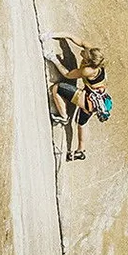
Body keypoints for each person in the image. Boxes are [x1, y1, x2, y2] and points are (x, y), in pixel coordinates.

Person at [44, 32, 108, 161]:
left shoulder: (87, 70)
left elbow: (68, 74)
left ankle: (63, 117)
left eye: (84, 54)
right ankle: (80, 150)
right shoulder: (93, 55)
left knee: (57, 88)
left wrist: (53, 58)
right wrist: (54, 35)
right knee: (81, 124)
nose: (82, 52)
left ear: (88, 61)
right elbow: (76, 39)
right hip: (97, 99)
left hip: (88, 99)